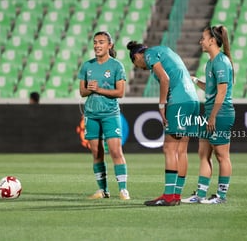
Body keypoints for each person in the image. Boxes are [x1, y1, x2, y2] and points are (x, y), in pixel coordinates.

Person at [126, 41, 200, 206]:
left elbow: (165, 79)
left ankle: (168, 196)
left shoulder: (150, 54)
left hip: (179, 101)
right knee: (181, 150)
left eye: (137, 65)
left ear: (137, 56)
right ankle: (175, 195)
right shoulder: (166, 50)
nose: (141, 68)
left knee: (169, 148)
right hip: (193, 100)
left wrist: (161, 105)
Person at [182, 25, 235, 204]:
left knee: (222, 155)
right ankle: (200, 194)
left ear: (212, 40)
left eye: (203, 38)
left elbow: (222, 92)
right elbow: (211, 88)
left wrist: (212, 117)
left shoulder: (221, 61)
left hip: (220, 113)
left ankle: (221, 196)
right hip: (210, 112)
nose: (201, 41)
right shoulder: (211, 62)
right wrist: (196, 81)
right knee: (203, 153)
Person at [78, 31, 130, 200]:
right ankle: (103, 190)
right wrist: (90, 89)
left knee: (115, 151)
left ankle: (123, 189)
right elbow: (82, 91)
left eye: (101, 42)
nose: (97, 45)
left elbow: (120, 92)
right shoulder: (87, 66)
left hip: (110, 114)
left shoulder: (116, 66)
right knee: (97, 153)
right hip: (91, 114)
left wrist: (99, 89)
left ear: (110, 45)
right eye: (95, 42)